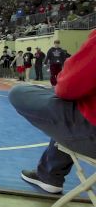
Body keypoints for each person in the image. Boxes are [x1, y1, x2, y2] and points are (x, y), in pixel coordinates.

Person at [9, 29, 96, 194]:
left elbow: (68, 87)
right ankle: (50, 173)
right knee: (71, 102)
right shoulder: (51, 52)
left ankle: (50, 175)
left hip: (91, 131)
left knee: (19, 93)